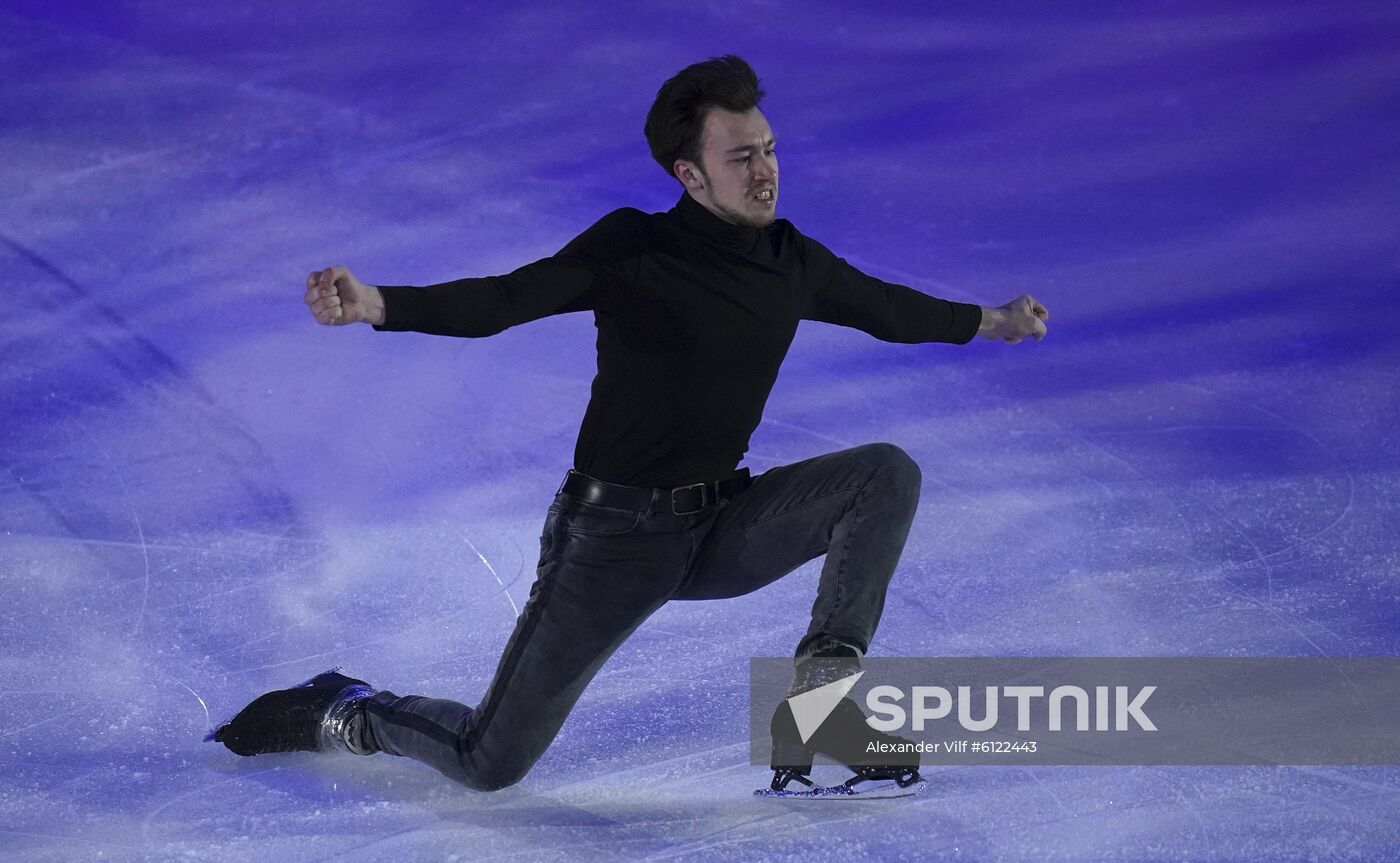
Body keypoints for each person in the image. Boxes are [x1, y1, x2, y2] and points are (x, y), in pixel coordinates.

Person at [210, 55, 1048, 793]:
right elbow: (506, 299)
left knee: (884, 473)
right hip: (611, 541)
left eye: (769, 150)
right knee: (487, 761)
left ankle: (822, 703)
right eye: (741, 157)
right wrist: (380, 304)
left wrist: (993, 319)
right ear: (689, 175)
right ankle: (351, 710)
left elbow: (889, 308)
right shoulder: (634, 249)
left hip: (722, 523)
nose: (765, 173)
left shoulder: (790, 261)